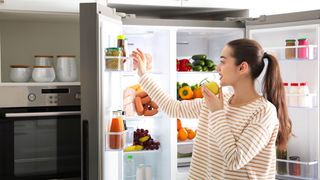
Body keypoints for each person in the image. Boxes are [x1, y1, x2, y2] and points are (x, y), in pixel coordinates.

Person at [131, 38, 292, 179]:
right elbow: (173, 108)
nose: (217, 67)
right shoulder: (221, 100)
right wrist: (143, 74)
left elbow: (234, 159)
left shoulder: (263, 112)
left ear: (242, 68)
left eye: (223, 61)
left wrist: (217, 112)